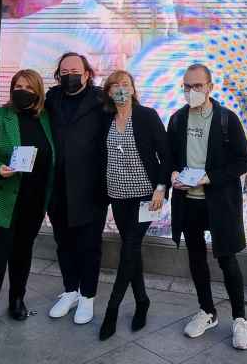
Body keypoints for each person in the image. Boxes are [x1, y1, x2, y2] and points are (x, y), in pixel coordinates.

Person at [167, 63, 247, 350]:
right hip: (188, 202)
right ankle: (207, 311)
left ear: (210, 87)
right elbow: (169, 159)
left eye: (198, 86)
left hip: (219, 203)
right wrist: (172, 174)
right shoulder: (177, 120)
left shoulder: (226, 120)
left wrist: (210, 177)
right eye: (187, 86)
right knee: (196, 259)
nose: (192, 91)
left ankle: (240, 319)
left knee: (227, 260)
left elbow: (244, 161)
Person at [0, 69, 55, 339]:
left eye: (29, 87)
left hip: (33, 200)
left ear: (38, 91)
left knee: (22, 254)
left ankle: (17, 300)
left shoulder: (46, 119)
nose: (22, 91)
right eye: (18, 85)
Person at [98, 70, 171, 341]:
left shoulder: (146, 116)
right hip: (117, 195)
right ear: (108, 91)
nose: (120, 88)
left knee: (130, 247)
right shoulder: (105, 119)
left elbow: (166, 156)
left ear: (133, 89)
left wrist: (161, 189)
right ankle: (142, 301)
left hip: (145, 196)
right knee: (132, 249)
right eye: (115, 85)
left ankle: (112, 310)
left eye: (125, 84)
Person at [44, 52, 108, 325]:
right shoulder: (50, 99)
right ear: (59, 74)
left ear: (86, 74)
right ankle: (70, 291)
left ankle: (87, 297)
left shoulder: (101, 101)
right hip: (57, 187)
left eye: (75, 70)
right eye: (64, 70)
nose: (69, 74)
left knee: (89, 246)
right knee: (64, 243)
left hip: (91, 187)